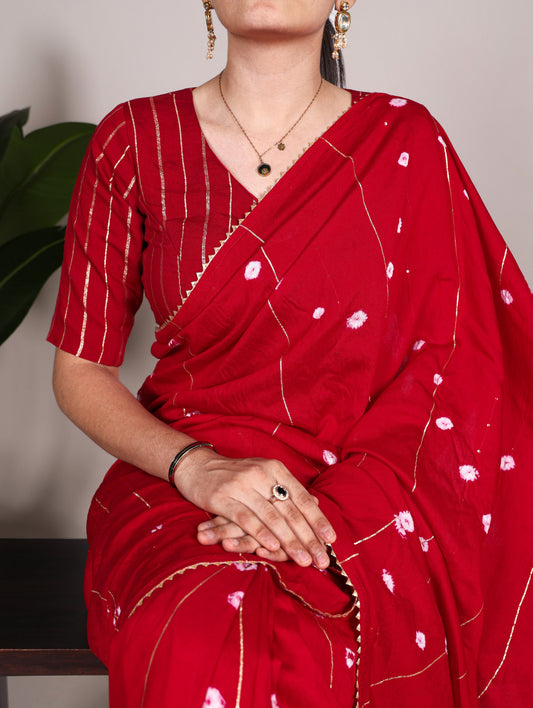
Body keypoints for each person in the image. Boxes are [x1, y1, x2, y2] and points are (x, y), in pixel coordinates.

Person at [48, 1, 533, 706]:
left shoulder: (405, 140)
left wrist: (342, 514)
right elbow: (79, 370)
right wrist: (200, 469)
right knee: (201, 634)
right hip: (181, 481)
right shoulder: (134, 140)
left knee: (328, 635)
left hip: (362, 487)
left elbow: (456, 369)